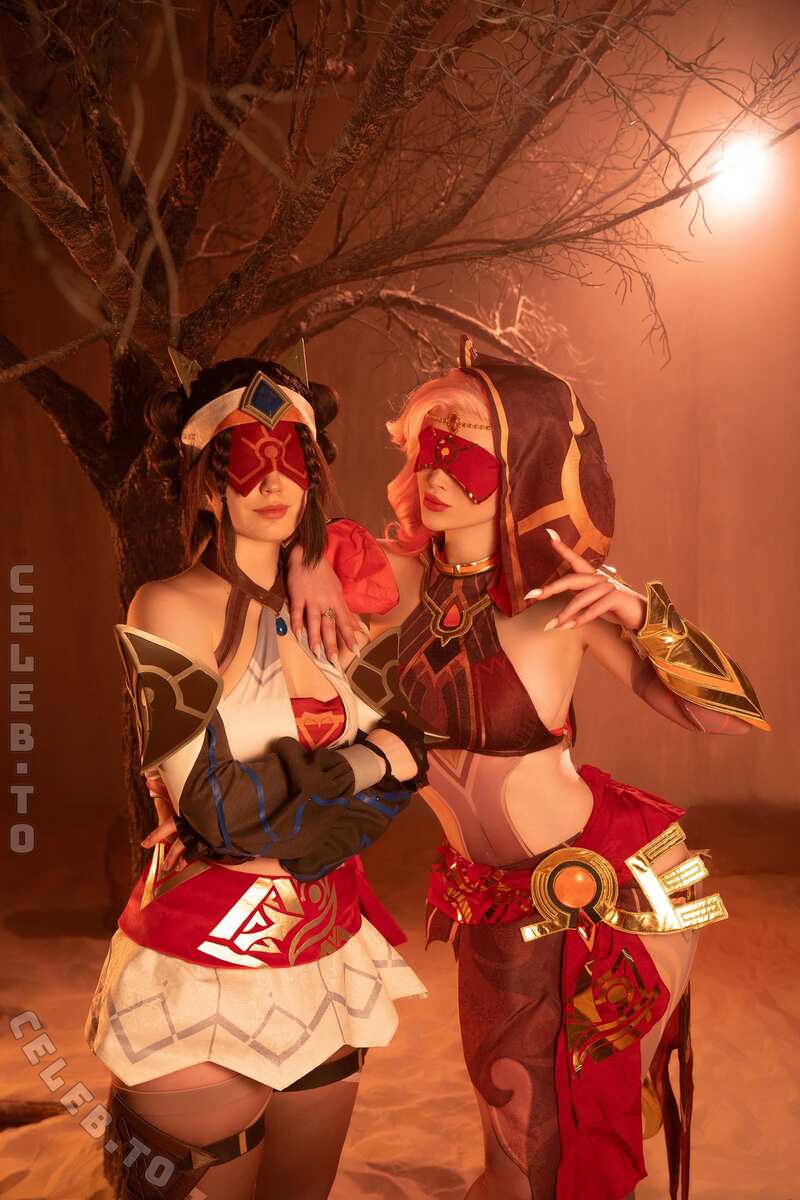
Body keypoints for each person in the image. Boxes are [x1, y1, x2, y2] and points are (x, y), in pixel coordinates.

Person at [278, 338, 770, 1200]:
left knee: (553, 1134)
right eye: (424, 447)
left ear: (527, 461)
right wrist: (304, 560)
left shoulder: (561, 597)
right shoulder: (392, 578)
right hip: (483, 899)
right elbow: (275, 572)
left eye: (461, 448)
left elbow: (728, 716)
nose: (433, 471)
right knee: (505, 1111)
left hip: (590, 896)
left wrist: (640, 612)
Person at [84, 355, 429, 1200]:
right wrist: (376, 760)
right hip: (198, 964)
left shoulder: (332, 606)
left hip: (330, 957)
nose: (272, 480)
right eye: (244, 458)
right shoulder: (166, 607)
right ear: (205, 483)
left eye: (291, 458)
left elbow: (412, 762)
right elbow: (224, 815)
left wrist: (336, 791)